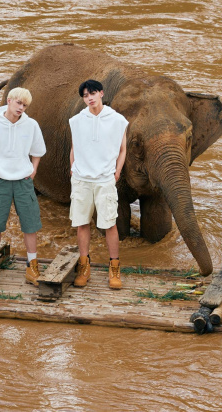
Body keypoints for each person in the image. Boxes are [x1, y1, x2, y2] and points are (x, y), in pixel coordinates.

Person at [0, 87, 46, 287]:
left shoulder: (31, 125)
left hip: (23, 181)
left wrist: (34, 171)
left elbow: (38, 150)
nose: (21, 108)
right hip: (0, 181)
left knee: (30, 224)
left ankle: (32, 266)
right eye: (18, 103)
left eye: (25, 105)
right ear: (9, 101)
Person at [69, 79, 128, 289]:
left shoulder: (117, 120)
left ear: (101, 93)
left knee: (109, 224)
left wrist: (117, 172)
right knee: (82, 223)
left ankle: (114, 269)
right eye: (85, 96)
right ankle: (84, 267)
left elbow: (123, 149)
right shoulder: (76, 120)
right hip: (81, 180)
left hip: (105, 179)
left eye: (92, 93)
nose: (89, 98)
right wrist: (73, 171)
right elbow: (74, 148)